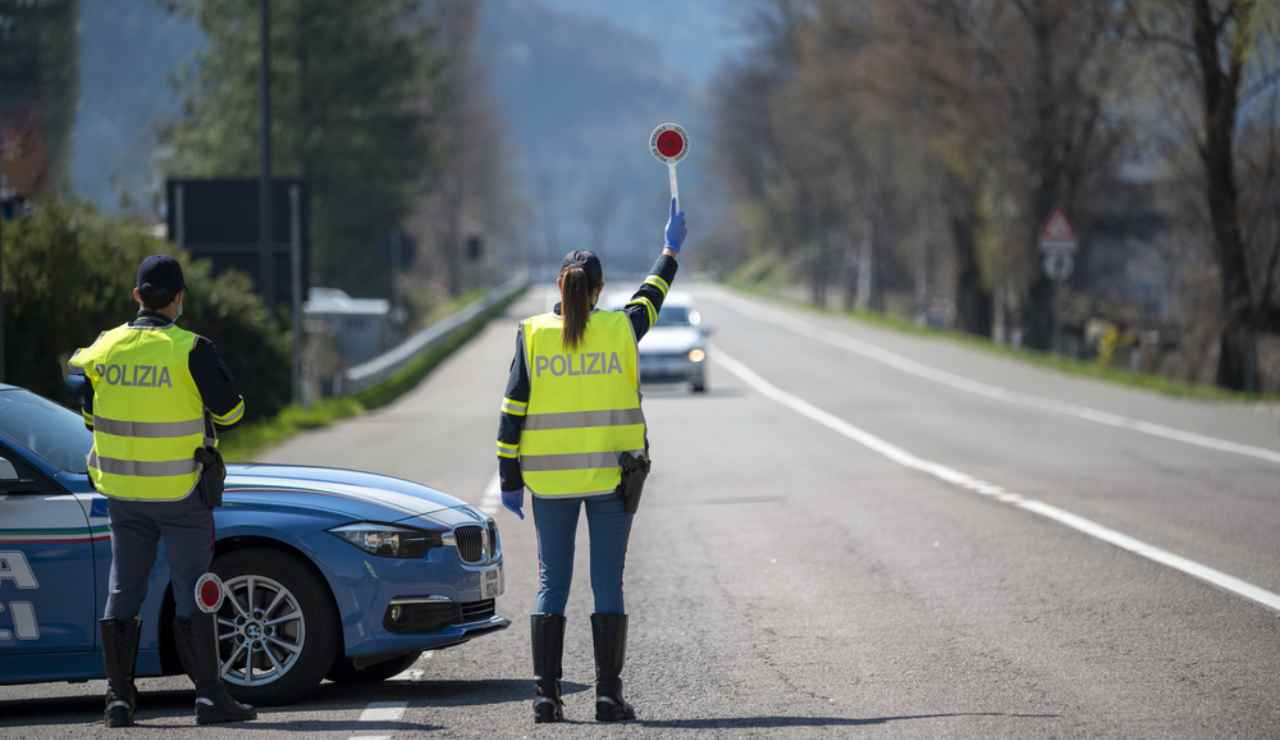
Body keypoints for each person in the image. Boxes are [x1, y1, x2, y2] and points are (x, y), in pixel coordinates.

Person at [497, 198, 687, 723]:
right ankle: (607, 696)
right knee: (608, 583)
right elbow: (653, 293)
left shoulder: (532, 334)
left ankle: (545, 698)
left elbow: (512, 411)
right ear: (598, 290)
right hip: (610, 480)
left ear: (560, 287)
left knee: (550, 584)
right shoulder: (622, 328)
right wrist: (669, 249)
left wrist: (509, 477)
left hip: (549, 485)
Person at [68, 255, 256, 727]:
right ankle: (210, 697)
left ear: (136, 296)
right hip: (180, 492)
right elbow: (232, 413)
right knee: (196, 589)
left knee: (123, 588)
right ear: (179, 298)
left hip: (123, 494)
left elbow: (91, 418)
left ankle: (118, 700)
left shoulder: (104, 348)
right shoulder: (190, 349)